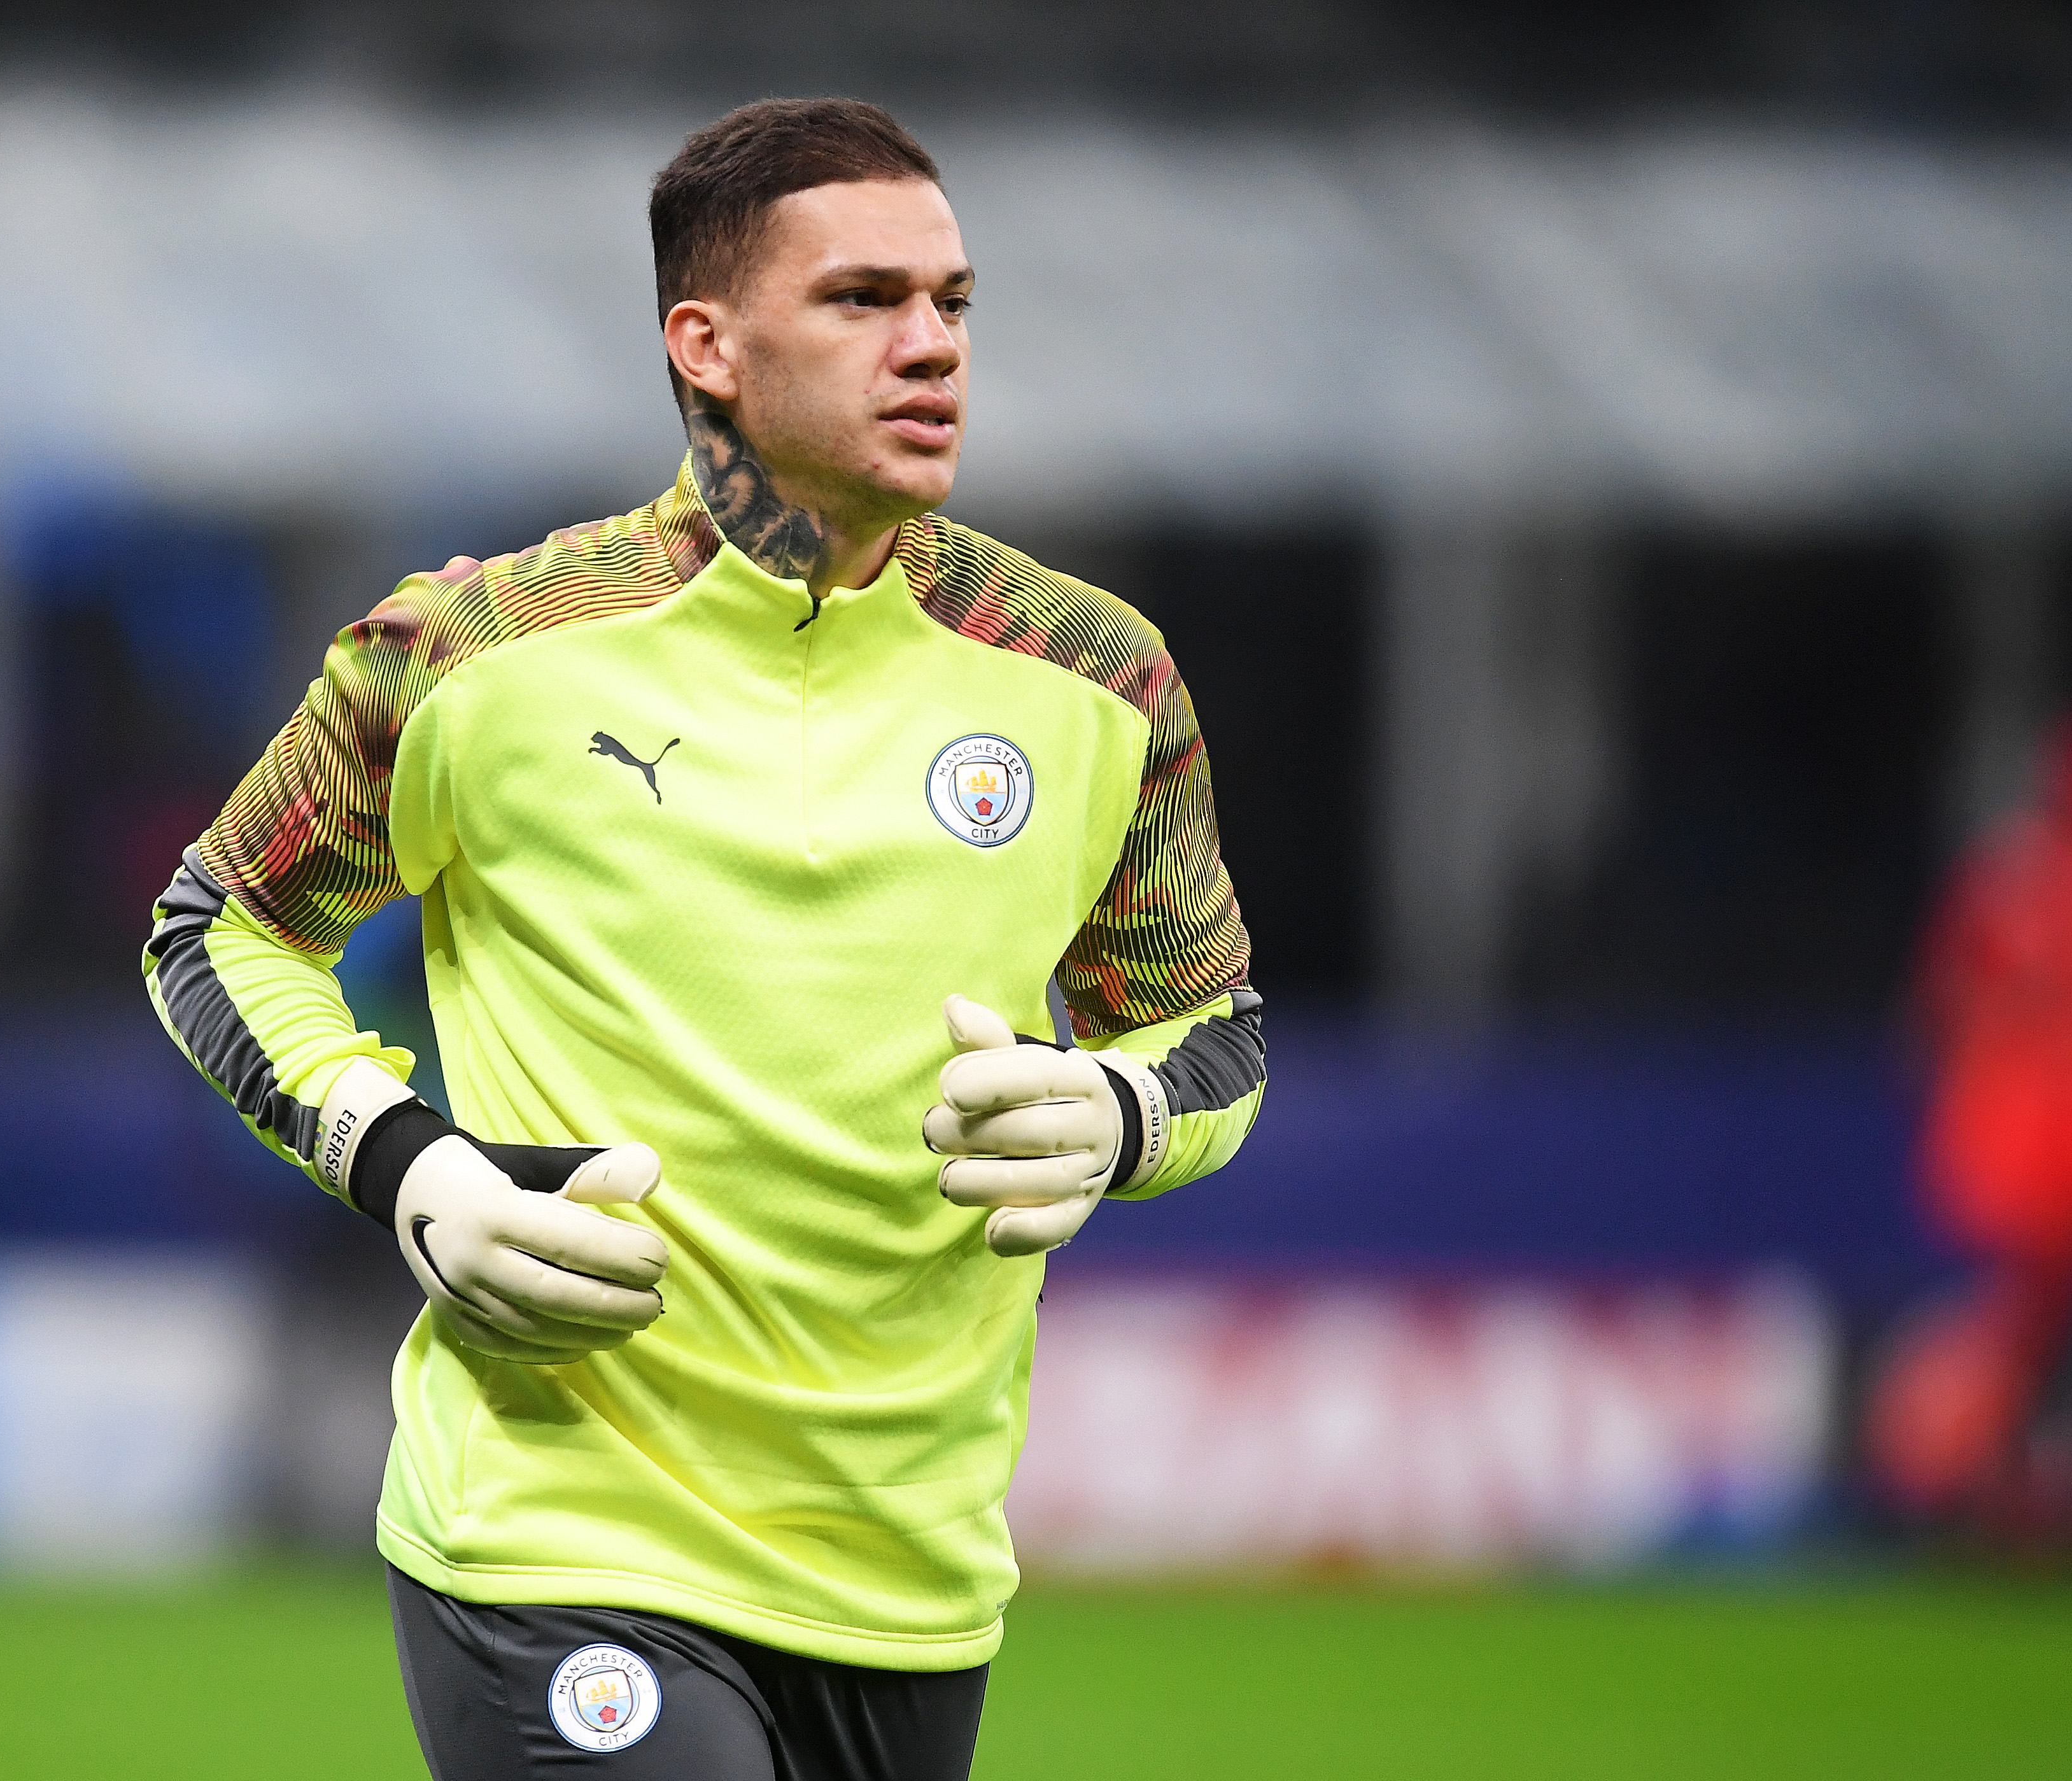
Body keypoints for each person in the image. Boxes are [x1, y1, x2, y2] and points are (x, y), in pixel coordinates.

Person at [144, 99, 1264, 1779]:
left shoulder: (1093, 676)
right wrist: (411, 1164)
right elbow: (214, 925)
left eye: (951, 302)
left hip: (907, 1573)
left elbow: (1211, 1027)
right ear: (706, 345)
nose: (929, 345)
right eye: (862, 300)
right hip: (557, 1529)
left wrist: (1117, 1116)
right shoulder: (471, 653)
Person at [1871, 707, 2072, 1565]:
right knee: (2022, 1328)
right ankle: (1973, 1491)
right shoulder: (2029, 873)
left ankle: (2007, 1492)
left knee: (2055, 1323)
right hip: (2056, 1143)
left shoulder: (2036, 869)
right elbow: (1934, 1012)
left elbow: (1928, 1017)